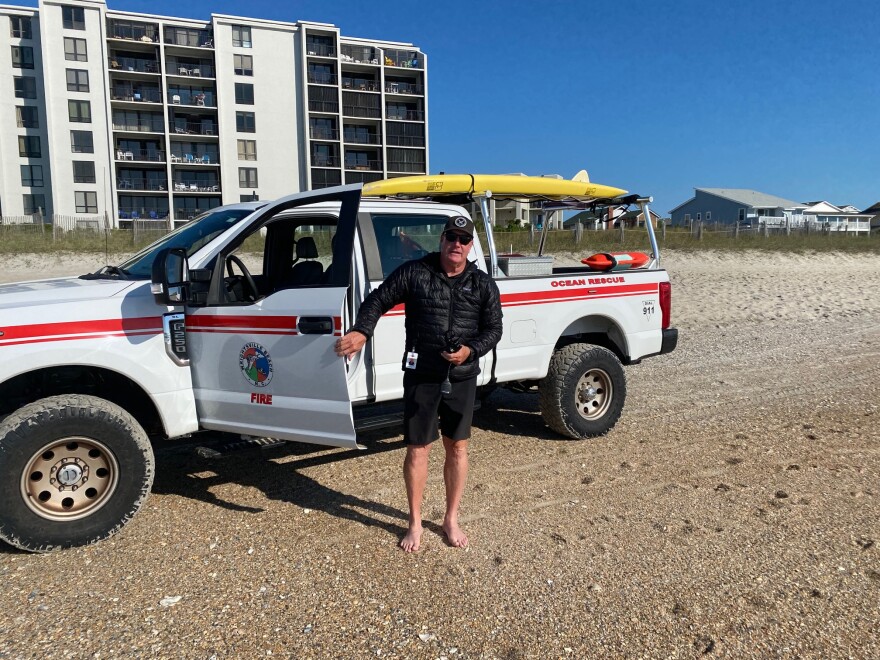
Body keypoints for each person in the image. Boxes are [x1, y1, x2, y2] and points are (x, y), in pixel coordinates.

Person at [335, 216, 503, 552]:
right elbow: (379, 299)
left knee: (457, 447)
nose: (457, 244)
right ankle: (414, 522)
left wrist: (470, 350)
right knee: (418, 448)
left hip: (461, 377)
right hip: (421, 374)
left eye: (463, 239)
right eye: (451, 237)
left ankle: (450, 519)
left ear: (470, 246)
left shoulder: (482, 284)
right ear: (441, 241)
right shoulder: (415, 273)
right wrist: (362, 330)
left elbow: (494, 329)